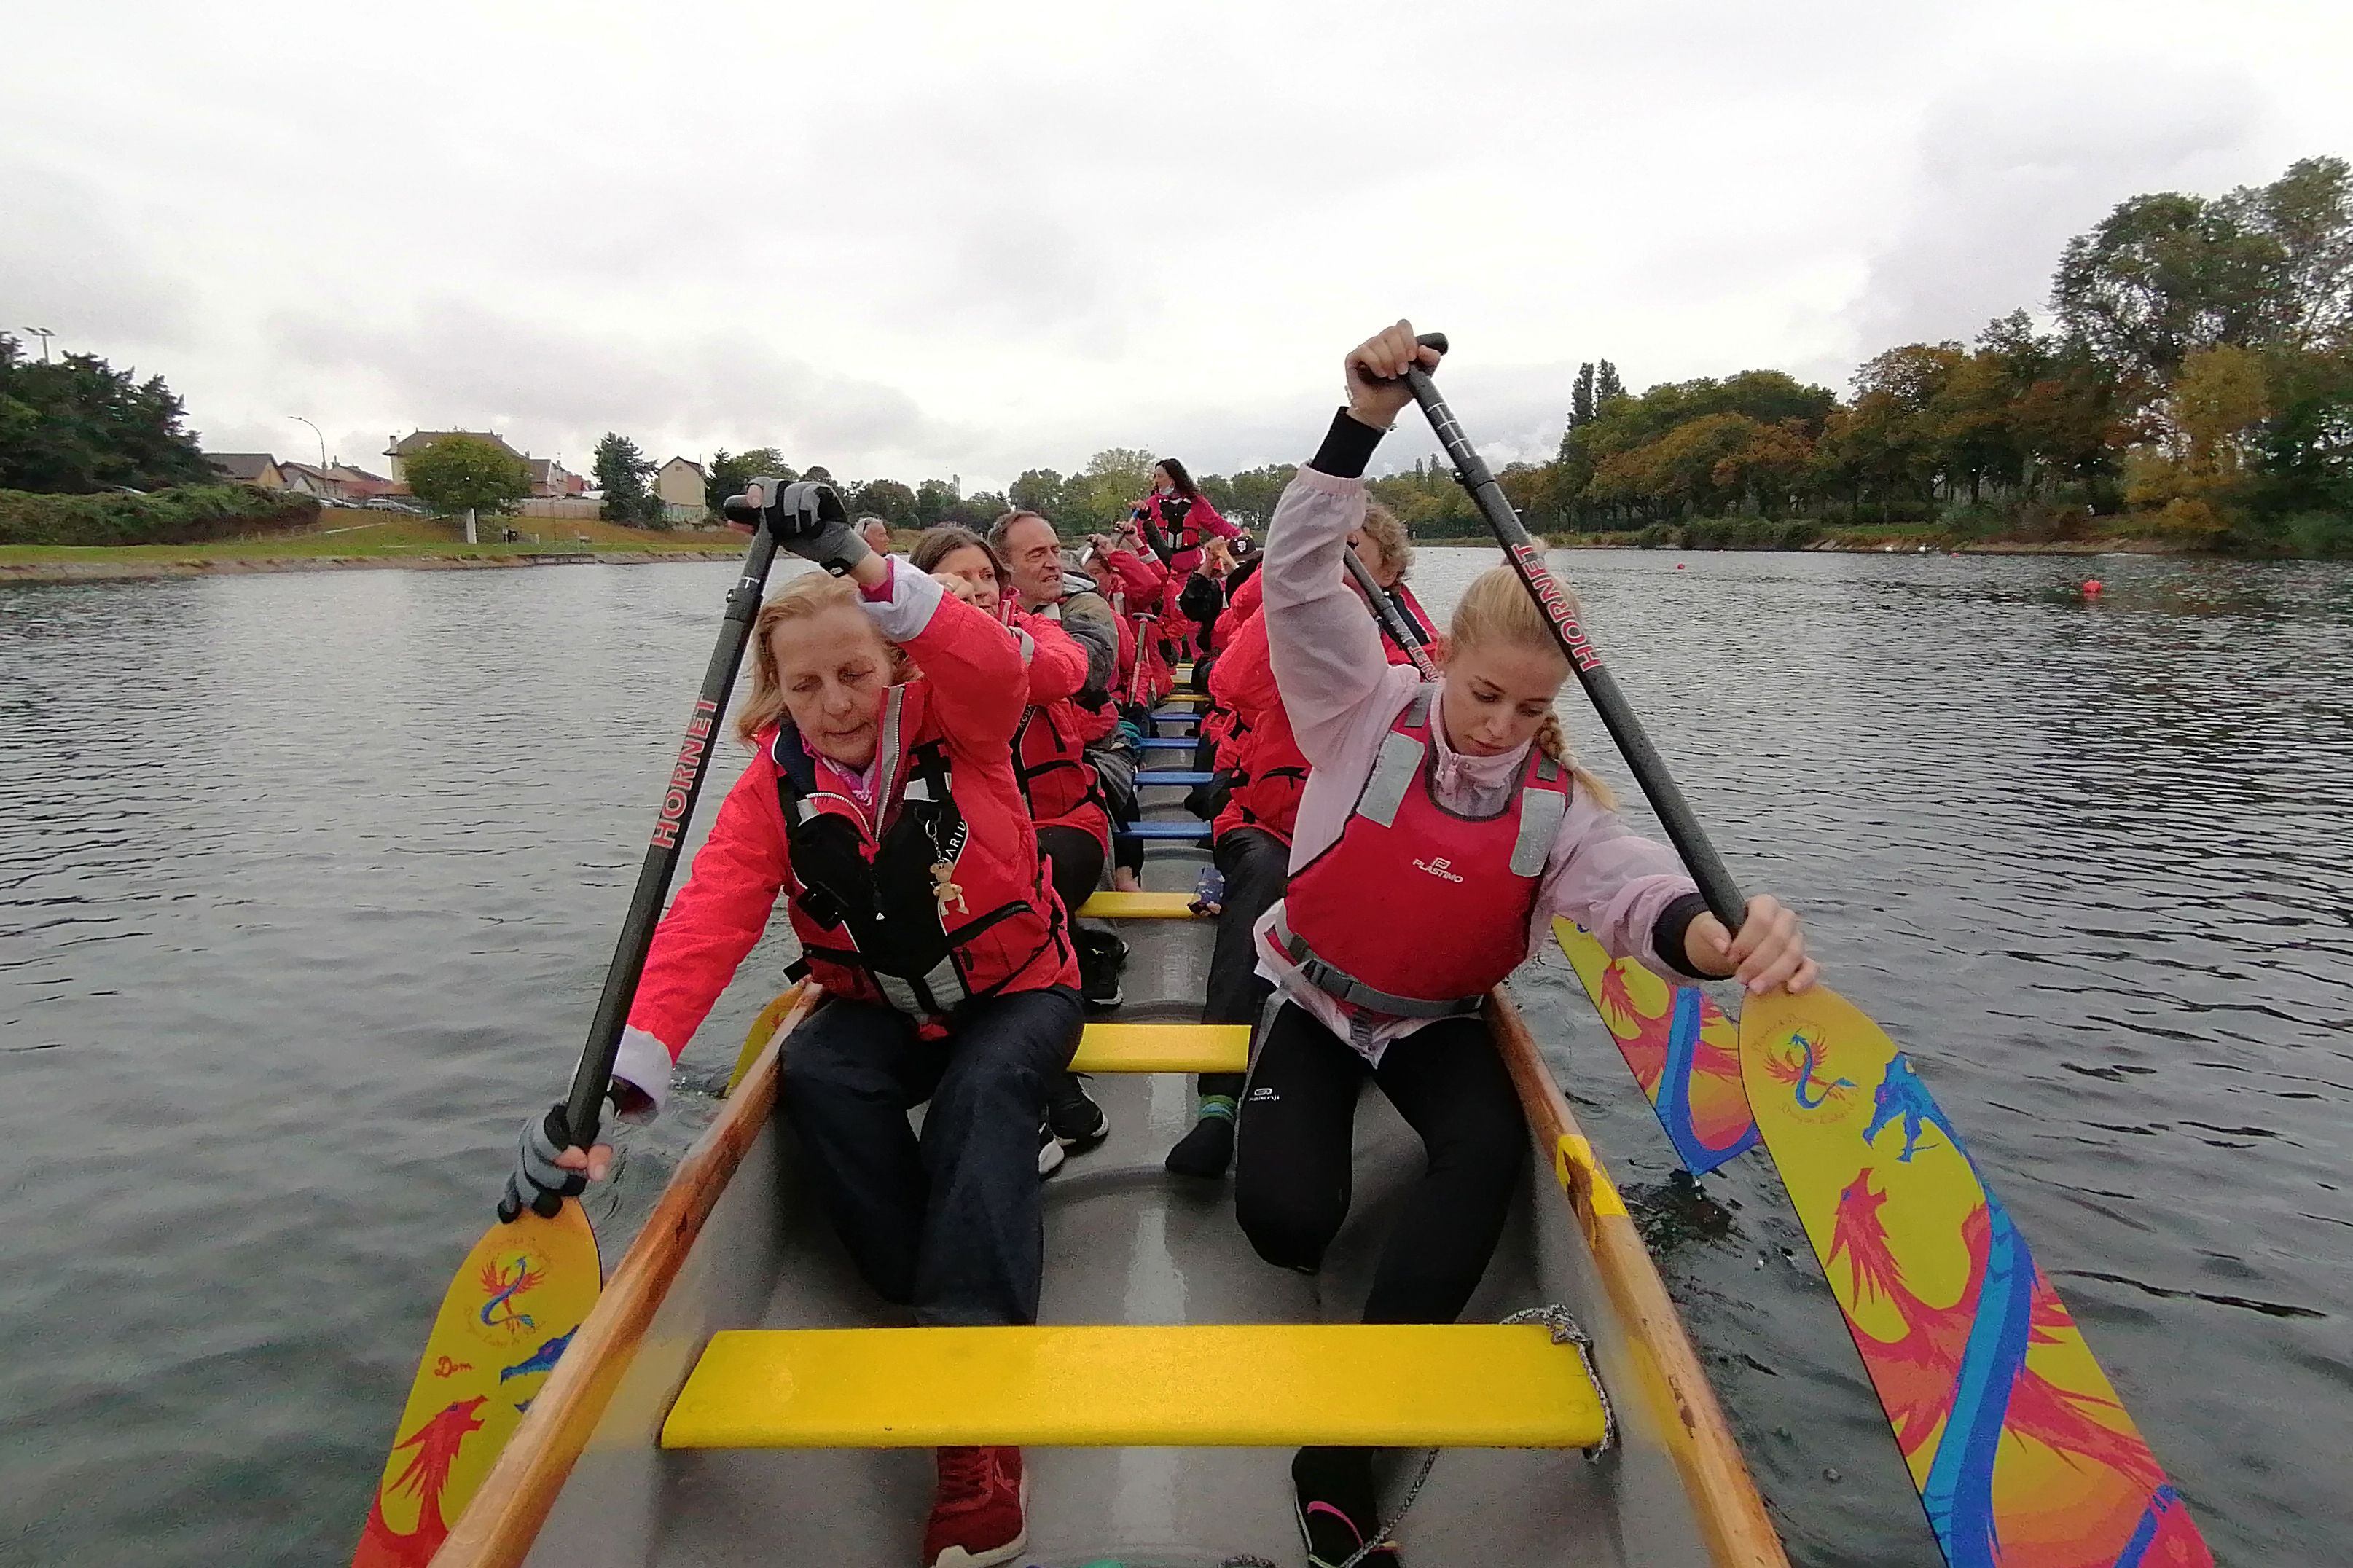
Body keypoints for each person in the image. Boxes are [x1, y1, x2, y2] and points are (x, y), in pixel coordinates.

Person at [1235, 324, 1818, 1567]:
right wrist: (1359, 420)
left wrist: (1726, 943)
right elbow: (1293, 576)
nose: (1500, 726)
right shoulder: (1355, 703)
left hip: (1428, 1020)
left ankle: (1348, 1433)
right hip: (1312, 994)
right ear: (1439, 657)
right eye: (1483, 694)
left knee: (1487, 1144)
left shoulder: (1558, 806)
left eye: (1532, 707)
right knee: (1287, 1225)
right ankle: (1238, 1113)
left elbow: (1642, 903)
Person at [508, 500, 1076, 1568]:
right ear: (777, 691)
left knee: (985, 1095)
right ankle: (937, 1278)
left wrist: (866, 563)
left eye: (854, 675)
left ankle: (975, 1413)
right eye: (805, 685)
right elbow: (708, 917)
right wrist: (606, 1085)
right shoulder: (775, 784)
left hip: (1018, 995)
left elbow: (1001, 668)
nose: (833, 704)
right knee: (817, 1066)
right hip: (881, 1009)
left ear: (896, 665)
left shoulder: (965, 718)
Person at [1160, 511, 1414, 1179]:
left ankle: (1355, 1067)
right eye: (1326, 551)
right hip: (1266, 825)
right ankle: (1217, 1098)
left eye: (1352, 551)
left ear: (1386, 569)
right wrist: (1292, 593)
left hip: (1355, 846)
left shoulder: (1414, 651)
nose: (1338, 563)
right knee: (1261, 877)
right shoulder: (1294, 630)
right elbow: (1230, 686)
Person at [912, 524, 1113, 1169]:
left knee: (1006, 898)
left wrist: (971, 634)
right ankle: (1040, 1079)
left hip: (1062, 828)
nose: (973, 588)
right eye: (956, 578)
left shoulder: (1039, 634)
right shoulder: (898, 657)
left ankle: (1064, 991)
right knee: (949, 908)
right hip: (961, 857)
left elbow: (1069, 672)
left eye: (983, 576)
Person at [987, 509, 1141, 1003]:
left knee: (1078, 788)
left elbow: (1089, 670)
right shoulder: (975, 614)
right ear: (1003, 569)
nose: (1053, 563)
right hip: (1006, 775)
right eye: (1037, 555)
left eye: (1055, 550)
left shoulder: (1086, 609)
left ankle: (1096, 940)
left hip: (1098, 749)